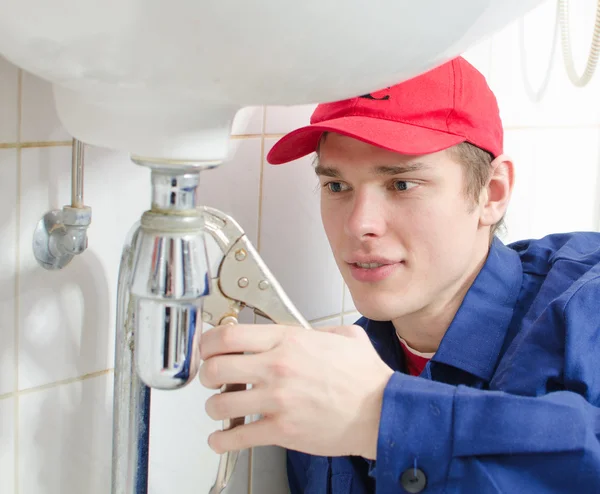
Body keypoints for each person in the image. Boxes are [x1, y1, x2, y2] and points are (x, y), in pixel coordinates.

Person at [197, 56, 600, 493]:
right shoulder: (330, 384)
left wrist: (381, 416)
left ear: (493, 192)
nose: (358, 224)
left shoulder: (585, 308)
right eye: (337, 186)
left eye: (402, 185)